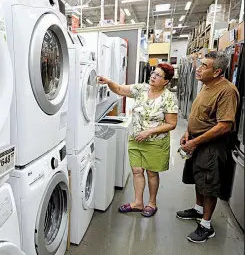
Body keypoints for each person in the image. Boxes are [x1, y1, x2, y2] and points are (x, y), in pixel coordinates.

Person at [98, 63, 178, 217]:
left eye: (158, 75)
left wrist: (149, 132)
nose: (153, 76)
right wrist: (109, 82)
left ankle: (152, 203)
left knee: (152, 174)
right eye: (153, 73)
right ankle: (138, 202)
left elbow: (171, 124)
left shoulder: (169, 98)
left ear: (166, 81)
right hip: (136, 139)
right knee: (136, 171)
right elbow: (120, 89)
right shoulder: (142, 89)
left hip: (155, 142)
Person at [176, 51, 240, 243]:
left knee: (209, 185)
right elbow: (198, 113)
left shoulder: (226, 91)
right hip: (196, 140)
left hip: (211, 146)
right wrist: (188, 132)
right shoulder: (206, 85)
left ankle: (206, 225)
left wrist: (195, 141)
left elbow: (224, 126)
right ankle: (197, 210)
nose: (199, 68)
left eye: (204, 66)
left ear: (217, 71)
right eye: (200, 64)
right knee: (200, 179)